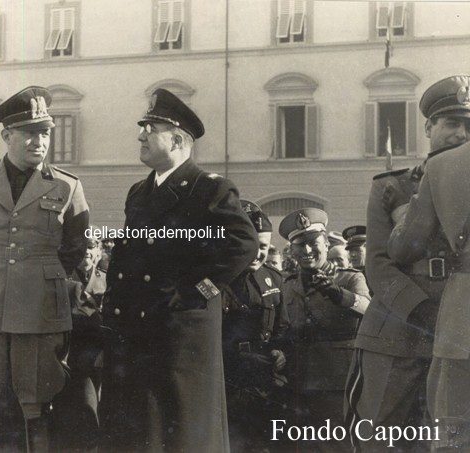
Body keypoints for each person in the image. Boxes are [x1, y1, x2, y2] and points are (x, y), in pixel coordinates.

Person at [99, 88, 258, 452]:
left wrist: (194, 291)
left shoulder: (208, 189)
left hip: (179, 332)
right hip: (139, 327)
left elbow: (243, 243)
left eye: (149, 128)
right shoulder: (139, 192)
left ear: (176, 139)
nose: (140, 135)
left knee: (181, 432)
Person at [0, 86, 89, 451]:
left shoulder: (68, 186)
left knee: (36, 398)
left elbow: (75, 248)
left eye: (45, 133)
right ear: (7, 136)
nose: (39, 141)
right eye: (29, 133)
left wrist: (42, 275)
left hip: (40, 308)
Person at [344, 75, 470, 451]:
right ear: (429, 126)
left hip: (459, 327)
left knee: (449, 435)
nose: (461, 134)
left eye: (469, 126)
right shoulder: (392, 186)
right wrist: (418, 309)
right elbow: (379, 263)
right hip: (401, 327)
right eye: (451, 124)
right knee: (382, 432)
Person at [387, 127, 470, 449]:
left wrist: (402, 211)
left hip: (462, 325)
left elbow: (404, 248)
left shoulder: (442, 166)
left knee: (455, 437)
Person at [279, 208, 369, 446]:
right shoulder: (287, 284)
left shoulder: (349, 279)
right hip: (298, 381)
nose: (307, 251)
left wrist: (338, 294)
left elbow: (369, 310)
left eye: (313, 243)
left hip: (338, 381)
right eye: (300, 245)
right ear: (292, 250)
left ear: (326, 244)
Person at [222, 200, 288, 451]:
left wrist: (281, 351)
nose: (259, 253)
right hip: (227, 378)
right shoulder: (218, 278)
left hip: (263, 379)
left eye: (264, 247)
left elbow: (283, 328)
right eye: (253, 245)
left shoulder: (273, 278)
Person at [53, 237, 106, 451]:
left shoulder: (107, 278)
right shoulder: (66, 282)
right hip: (73, 360)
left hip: (99, 357)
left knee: (96, 413)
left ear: (98, 252)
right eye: (82, 248)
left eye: (92, 247)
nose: (87, 252)